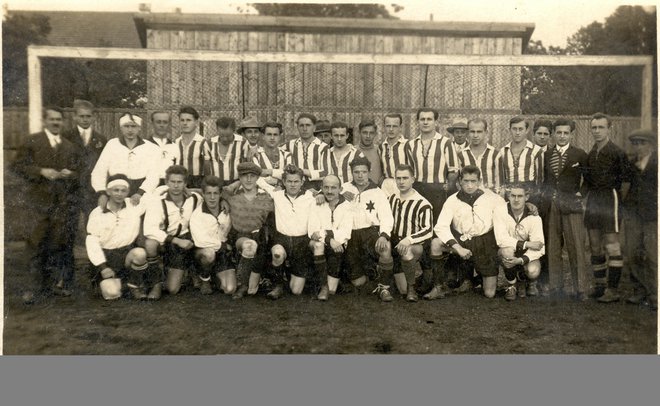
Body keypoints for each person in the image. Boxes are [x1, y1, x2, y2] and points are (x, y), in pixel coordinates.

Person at [13, 106, 81, 303]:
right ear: (44, 121)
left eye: (59, 120)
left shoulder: (69, 146)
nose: (56, 123)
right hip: (37, 204)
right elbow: (17, 166)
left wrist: (71, 174)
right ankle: (31, 289)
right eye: (52, 119)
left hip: (61, 205)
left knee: (55, 245)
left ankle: (50, 286)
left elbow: (78, 173)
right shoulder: (32, 141)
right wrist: (41, 171)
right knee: (35, 245)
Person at [430, 165, 506, 299]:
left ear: (480, 181)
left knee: (489, 293)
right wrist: (457, 247)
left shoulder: (492, 198)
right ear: (459, 182)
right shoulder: (452, 200)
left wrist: (529, 206)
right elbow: (440, 226)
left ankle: (476, 279)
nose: (469, 185)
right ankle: (438, 286)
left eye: (473, 181)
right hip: (462, 242)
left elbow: (509, 210)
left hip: (484, 244)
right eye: (466, 181)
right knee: (436, 244)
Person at [583, 113, 632, 303]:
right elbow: (587, 181)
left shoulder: (617, 152)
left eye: (600, 127)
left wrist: (620, 203)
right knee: (595, 245)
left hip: (610, 198)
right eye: (594, 128)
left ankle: (613, 290)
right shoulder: (591, 154)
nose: (597, 131)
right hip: (594, 199)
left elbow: (626, 181)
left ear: (608, 128)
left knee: (612, 244)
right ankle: (600, 285)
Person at [541, 119, 589, 300]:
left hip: (572, 205)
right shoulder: (547, 155)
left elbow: (589, 179)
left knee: (576, 245)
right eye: (558, 132)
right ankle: (556, 287)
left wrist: (580, 194)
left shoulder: (579, 154)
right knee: (553, 245)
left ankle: (581, 289)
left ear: (571, 134)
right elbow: (546, 180)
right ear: (553, 133)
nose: (561, 136)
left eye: (565, 133)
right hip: (553, 204)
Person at [257, 165, 318, 299]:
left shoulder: (311, 196)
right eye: (289, 181)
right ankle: (278, 285)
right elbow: (258, 180)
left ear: (302, 182)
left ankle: (289, 275)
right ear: (284, 182)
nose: (293, 185)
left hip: (301, 242)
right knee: (277, 254)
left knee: (296, 291)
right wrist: (274, 175)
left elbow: (329, 193)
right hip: (282, 240)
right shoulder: (277, 194)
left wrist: (321, 196)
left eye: (296, 181)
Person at [85, 174, 149, 300]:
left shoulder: (134, 206)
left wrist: (140, 194)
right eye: (116, 190)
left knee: (140, 253)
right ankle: (107, 281)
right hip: (106, 257)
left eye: (123, 190)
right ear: (108, 191)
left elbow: (156, 194)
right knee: (113, 294)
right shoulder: (97, 213)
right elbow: (91, 242)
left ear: (128, 192)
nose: (119, 194)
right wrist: (103, 267)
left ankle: (134, 285)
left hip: (126, 255)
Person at [143, 165, 202, 299]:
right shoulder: (157, 201)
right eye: (173, 182)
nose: (176, 186)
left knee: (172, 289)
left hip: (186, 243)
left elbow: (211, 195)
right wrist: (175, 240)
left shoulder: (194, 199)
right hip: (168, 242)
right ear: (166, 182)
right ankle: (156, 285)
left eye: (180, 182)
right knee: (150, 244)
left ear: (185, 183)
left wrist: (224, 202)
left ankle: (190, 270)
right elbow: (149, 229)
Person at [341, 156, 395, 302]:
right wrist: (321, 194)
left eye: (363, 172)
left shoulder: (377, 192)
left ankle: (384, 287)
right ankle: (373, 271)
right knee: (358, 282)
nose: (360, 175)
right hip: (350, 235)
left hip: (370, 232)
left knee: (386, 248)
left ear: (369, 171)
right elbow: (326, 192)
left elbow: (387, 217)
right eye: (356, 172)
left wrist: (383, 235)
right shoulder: (344, 188)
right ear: (351, 172)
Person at [222, 162, 275, 299]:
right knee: (249, 246)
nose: (249, 180)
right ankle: (242, 285)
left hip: (260, 237)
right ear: (239, 177)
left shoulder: (266, 198)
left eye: (252, 176)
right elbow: (223, 191)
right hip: (241, 236)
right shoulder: (233, 197)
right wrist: (235, 185)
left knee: (253, 291)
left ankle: (253, 281)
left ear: (258, 178)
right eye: (245, 176)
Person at [91, 112, 160, 207]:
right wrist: (102, 193)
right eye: (126, 126)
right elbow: (99, 171)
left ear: (139, 128)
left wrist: (140, 193)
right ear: (121, 128)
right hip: (116, 189)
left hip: (140, 191)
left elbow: (154, 175)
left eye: (133, 126)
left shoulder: (151, 147)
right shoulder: (112, 144)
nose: (130, 130)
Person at [387, 164, 434, 302]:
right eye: (398, 178)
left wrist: (408, 240)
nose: (401, 182)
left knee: (406, 251)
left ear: (413, 179)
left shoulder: (422, 203)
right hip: (396, 244)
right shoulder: (392, 198)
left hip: (416, 245)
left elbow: (428, 230)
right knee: (401, 290)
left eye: (405, 178)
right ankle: (405, 282)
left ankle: (412, 289)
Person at [623, 129, 657, 310]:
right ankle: (639, 291)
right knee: (631, 253)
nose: (638, 147)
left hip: (653, 217)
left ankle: (656, 294)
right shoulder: (631, 164)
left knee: (653, 255)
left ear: (651, 145)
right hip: (634, 215)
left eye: (642, 143)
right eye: (635, 144)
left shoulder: (657, 163)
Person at [494, 184, 545, 301]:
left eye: (520, 196)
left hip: (526, 254)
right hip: (509, 250)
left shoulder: (534, 217)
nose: (516, 200)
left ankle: (527, 281)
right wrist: (526, 244)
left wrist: (521, 260)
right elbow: (501, 239)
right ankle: (511, 284)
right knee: (507, 251)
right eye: (513, 196)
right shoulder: (500, 211)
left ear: (526, 197)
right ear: (508, 196)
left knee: (533, 271)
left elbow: (539, 246)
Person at [408, 107, 460, 222]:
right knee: (418, 221)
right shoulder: (411, 144)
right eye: (422, 119)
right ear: (418, 122)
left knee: (436, 223)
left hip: (438, 190)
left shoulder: (446, 142)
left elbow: (454, 170)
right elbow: (409, 170)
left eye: (429, 119)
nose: (425, 122)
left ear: (436, 122)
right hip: (417, 188)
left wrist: (448, 185)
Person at [308, 175, 354, 301]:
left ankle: (329, 282)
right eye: (326, 187)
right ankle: (323, 286)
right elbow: (312, 231)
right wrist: (330, 239)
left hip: (337, 248)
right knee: (318, 245)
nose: (329, 191)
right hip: (322, 245)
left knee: (333, 290)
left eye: (333, 188)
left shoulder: (347, 206)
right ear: (321, 188)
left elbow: (345, 233)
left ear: (340, 189)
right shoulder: (316, 203)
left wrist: (327, 235)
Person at [189, 175, 234, 295]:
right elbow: (200, 241)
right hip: (204, 251)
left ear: (221, 194)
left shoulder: (226, 210)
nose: (212, 197)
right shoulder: (197, 214)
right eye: (209, 193)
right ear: (203, 194)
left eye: (215, 193)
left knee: (229, 289)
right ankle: (204, 278)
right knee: (209, 254)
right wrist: (223, 246)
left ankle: (215, 275)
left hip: (222, 254)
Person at [62, 99, 106, 217]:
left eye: (88, 116)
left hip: (91, 187)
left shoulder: (101, 139)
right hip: (71, 186)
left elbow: (104, 163)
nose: (85, 119)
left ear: (93, 117)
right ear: (75, 117)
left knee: (92, 219)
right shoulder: (65, 136)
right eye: (81, 116)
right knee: (70, 221)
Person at [495, 116, 543, 202]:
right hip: (510, 193)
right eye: (514, 129)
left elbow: (539, 179)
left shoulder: (536, 150)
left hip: (529, 193)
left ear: (527, 130)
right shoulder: (503, 151)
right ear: (510, 130)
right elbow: (501, 179)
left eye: (520, 129)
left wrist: (535, 199)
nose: (517, 132)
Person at [284, 113, 328, 191]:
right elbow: (274, 150)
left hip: (316, 186)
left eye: (308, 125)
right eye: (301, 125)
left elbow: (325, 172)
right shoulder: (290, 145)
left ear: (314, 128)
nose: (304, 129)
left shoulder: (323, 147)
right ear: (297, 127)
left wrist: (302, 171)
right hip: (295, 186)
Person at [205, 117, 247, 185]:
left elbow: (246, 164)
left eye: (228, 136)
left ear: (234, 131)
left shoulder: (242, 142)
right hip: (215, 184)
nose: (225, 139)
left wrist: (239, 183)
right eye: (221, 135)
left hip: (236, 183)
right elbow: (206, 166)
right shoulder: (209, 143)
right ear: (217, 130)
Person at [174, 106, 207, 189]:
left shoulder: (203, 143)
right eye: (182, 120)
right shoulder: (175, 143)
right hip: (178, 184)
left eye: (188, 120)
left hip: (197, 184)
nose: (185, 123)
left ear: (196, 122)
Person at [378, 113, 410, 196]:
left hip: (403, 183)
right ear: (384, 127)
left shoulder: (408, 145)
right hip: (386, 184)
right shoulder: (381, 146)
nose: (391, 129)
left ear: (400, 127)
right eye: (388, 126)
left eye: (395, 126)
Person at [252, 121, 292, 187]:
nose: (272, 138)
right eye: (269, 134)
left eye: (275, 135)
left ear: (280, 137)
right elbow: (257, 176)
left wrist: (269, 172)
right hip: (262, 193)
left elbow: (289, 175)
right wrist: (280, 178)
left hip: (284, 192)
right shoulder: (256, 154)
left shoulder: (287, 155)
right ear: (263, 136)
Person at [145, 110, 177, 183]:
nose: (162, 125)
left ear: (169, 125)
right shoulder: (144, 145)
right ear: (152, 124)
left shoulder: (174, 147)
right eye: (158, 122)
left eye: (165, 122)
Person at [356, 119, 384, 185]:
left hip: (376, 190)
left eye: (371, 133)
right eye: (365, 133)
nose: (368, 136)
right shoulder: (353, 151)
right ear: (359, 133)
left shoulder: (380, 150)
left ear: (375, 134)